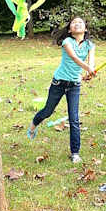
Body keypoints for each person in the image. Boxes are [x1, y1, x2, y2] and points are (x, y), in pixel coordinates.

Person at [27, 16, 95, 164]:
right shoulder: (67, 42)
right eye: (73, 23)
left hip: (74, 85)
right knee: (47, 112)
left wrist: (90, 72)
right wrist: (88, 68)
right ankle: (34, 123)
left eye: (80, 22)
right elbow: (75, 58)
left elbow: (91, 63)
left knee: (74, 118)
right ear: (70, 30)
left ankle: (75, 153)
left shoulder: (90, 45)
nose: (77, 24)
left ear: (86, 28)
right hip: (59, 82)